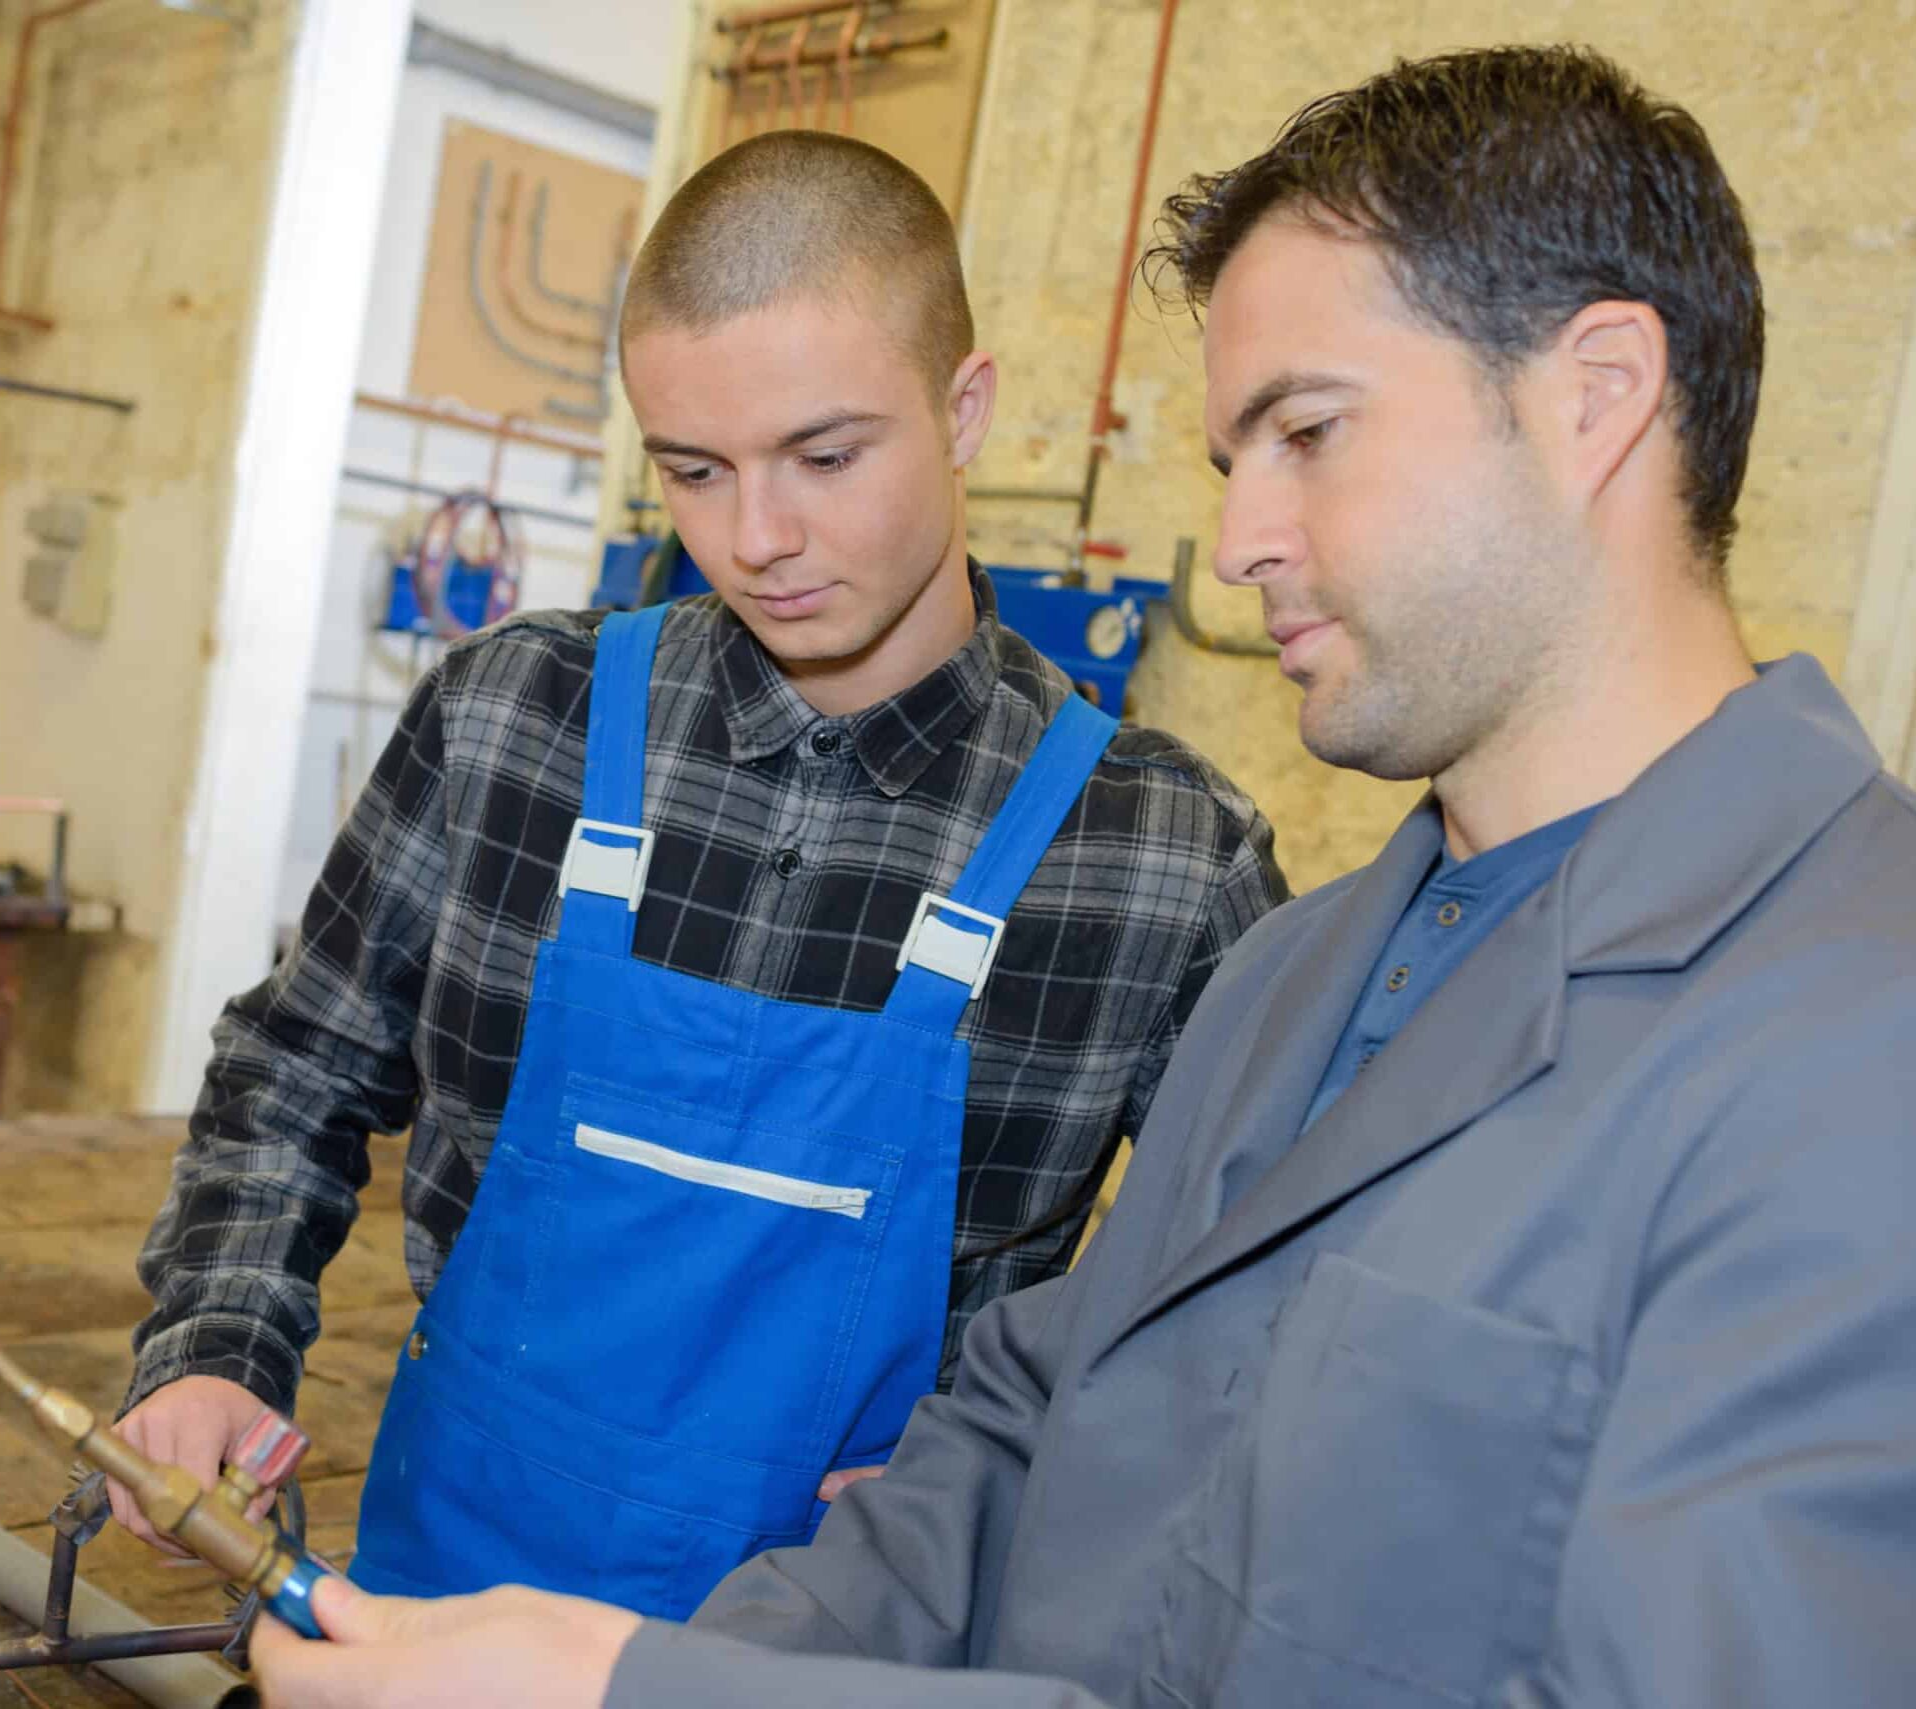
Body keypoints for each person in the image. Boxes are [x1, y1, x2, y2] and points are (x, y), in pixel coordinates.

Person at [245, 43, 1916, 1709]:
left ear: (1597, 394)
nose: (1245, 537)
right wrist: (624, 1667)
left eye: (1308, 432)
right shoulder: (1301, 977)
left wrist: (635, 1691)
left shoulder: (1858, 1049)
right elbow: (1025, 1445)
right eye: (1230, 462)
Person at [113, 130, 1286, 1620]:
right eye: (694, 469)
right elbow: (294, 1068)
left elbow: (1249, 1298)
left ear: (965, 405)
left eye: (825, 454)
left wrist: (1039, 1457)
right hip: (444, 1608)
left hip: (848, 1639)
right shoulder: (511, 722)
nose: (758, 539)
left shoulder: (1166, 862)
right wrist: (217, 1345)